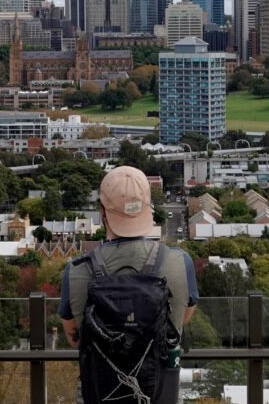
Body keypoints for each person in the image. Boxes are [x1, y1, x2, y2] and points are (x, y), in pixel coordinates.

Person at [59, 166, 198, 400]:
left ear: (103, 211)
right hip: (160, 393)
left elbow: (75, 336)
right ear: (147, 206)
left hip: (102, 392)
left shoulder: (76, 271)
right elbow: (182, 317)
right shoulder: (179, 263)